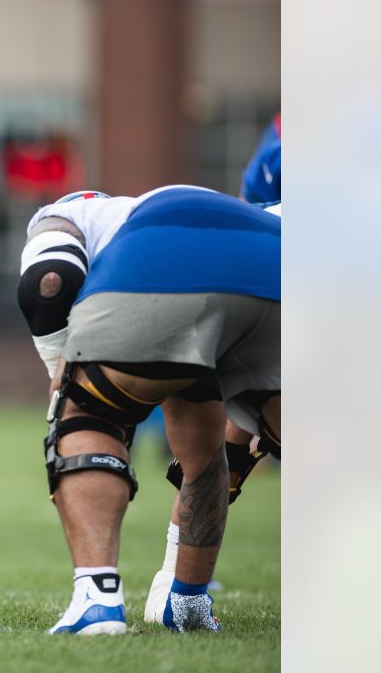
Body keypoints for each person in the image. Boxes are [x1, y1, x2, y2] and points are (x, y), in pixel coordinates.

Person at [16, 185, 280, 634]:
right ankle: (187, 601)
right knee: (215, 455)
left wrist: (61, 365)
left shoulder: (73, 215)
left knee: (87, 416)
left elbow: (50, 279)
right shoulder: (225, 205)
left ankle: (96, 603)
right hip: (276, 266)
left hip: (156, 261)